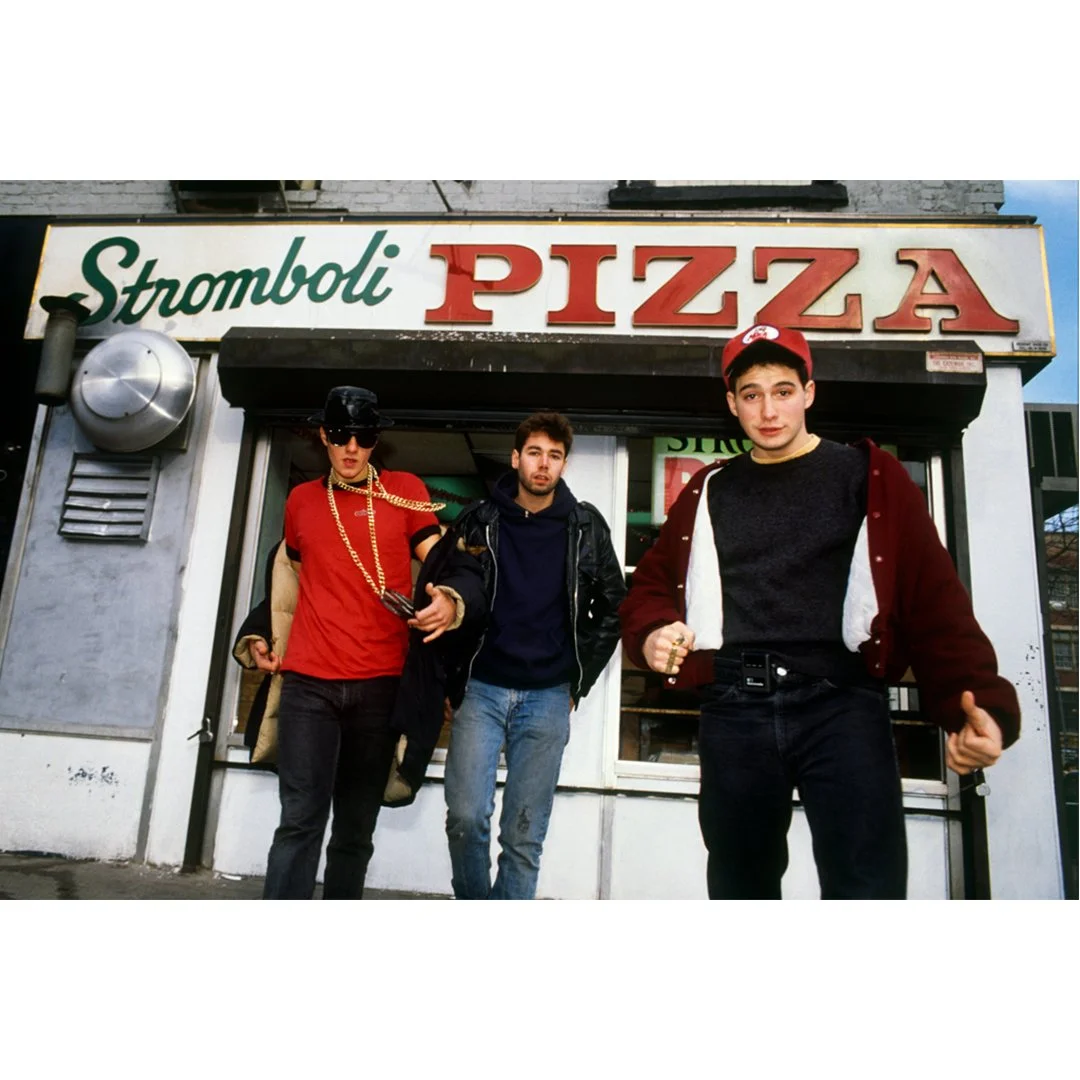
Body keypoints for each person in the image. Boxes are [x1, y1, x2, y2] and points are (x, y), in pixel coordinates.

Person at [620, 324, 1021, 900]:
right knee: (740, 888)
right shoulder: (710, 488)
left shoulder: (871, 477)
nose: (769, 410)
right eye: (752, 394)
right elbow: (649, 588)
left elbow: (935, 601)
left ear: (810, 392)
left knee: (866, 886)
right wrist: (653, 632)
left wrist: (978, 705)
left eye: (783, 390)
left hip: (843, 704)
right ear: (732, 404)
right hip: (735, 709)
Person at [233, 386, 466, 900]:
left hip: (379, 689)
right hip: (309, 686)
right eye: (341, 436)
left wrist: (451, 596)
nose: (352, 448)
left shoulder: (404, 489)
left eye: (363, 437)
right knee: (299, 821)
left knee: (355, 832)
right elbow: (293, 577)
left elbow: (437, 557)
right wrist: (257, 632)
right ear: (323, 436)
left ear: (376, 439)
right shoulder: (301, 500)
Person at [443, 412, 627, 899]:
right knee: (465, 819)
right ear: (516, 457)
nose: (543, 465)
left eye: (554, 455)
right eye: (534, 453)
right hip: (481, 689)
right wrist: (451, 680)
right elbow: (447, 593)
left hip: (547, 695)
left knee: (523, 839)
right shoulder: (480, 519)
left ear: (564, 463)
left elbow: (614, 605)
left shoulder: (585, 526)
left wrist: (577, 681)